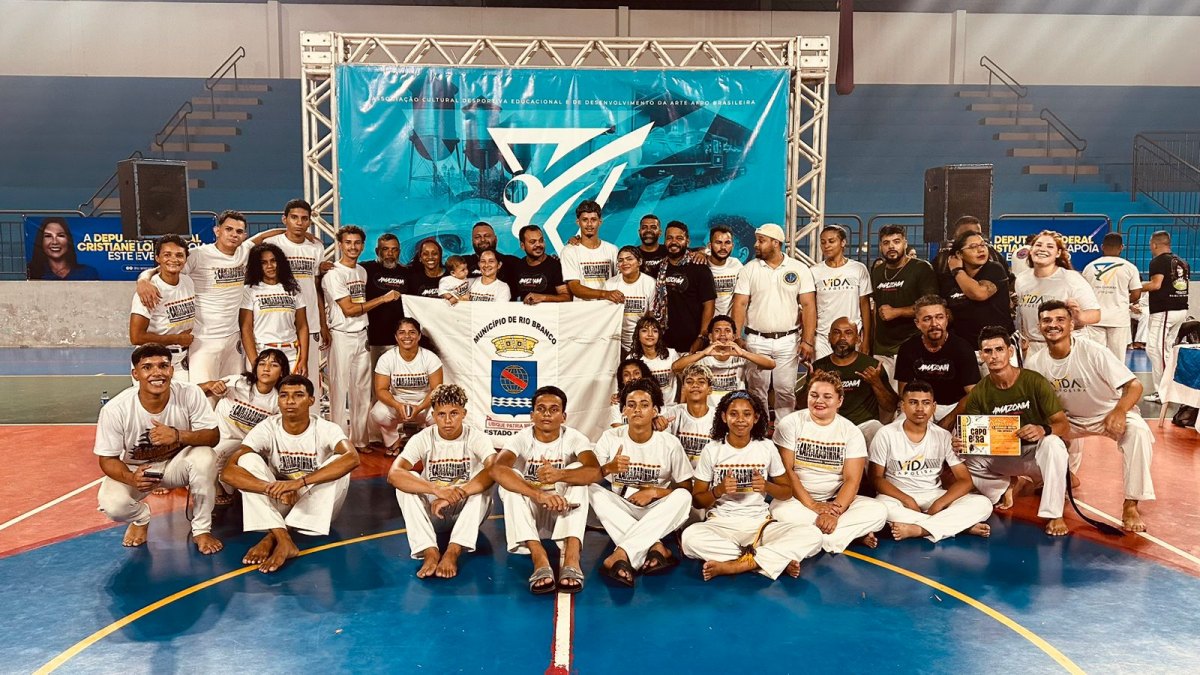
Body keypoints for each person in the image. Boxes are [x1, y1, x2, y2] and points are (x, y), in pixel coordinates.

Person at [1025, 300, 1154, 531]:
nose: (1053, 325)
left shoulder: (1094, 351)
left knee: (1138, 432)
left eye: (1060, 319)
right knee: (1048, 441)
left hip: (1107, 415)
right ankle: (1055, 508)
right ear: (1039, 326)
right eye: (1047, 320)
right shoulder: (1035, 363)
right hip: (1068, 421)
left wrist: (1120, 410)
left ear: (1071, 325)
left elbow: (1135, 386)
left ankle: (1131, 504)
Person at [221, 374, 360, 573]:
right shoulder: (268, 426)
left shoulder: (326, 428)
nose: (290, 401)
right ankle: (284, 539)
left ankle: (272, 536)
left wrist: (298, 483)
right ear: (278, 400)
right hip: (281, 498)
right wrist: (272, 488)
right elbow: (228, 472)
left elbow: (353, 458)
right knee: (246, 460)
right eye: (284, 395)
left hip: (317, 502)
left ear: (311, 400)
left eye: (298, 395)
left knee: (339, 461)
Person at [94, 344, 222, 554]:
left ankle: (201, 530)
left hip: (176, 465)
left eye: (163, 366)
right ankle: (141, 518)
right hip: (136, 469)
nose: (157, 373)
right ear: (135, 374)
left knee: (206, 457)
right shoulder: (115, 409)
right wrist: (131, 478)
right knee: (113, 505)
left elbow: (213, 437)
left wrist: (178, 435)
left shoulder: (190, 393)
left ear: (171, 370)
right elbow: (107, 459)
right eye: (147, 367)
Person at [681, 391, 822, 581]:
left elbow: (787, 492)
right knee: (690, 538)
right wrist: (718, 491)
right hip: (721, 523)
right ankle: (772, 559)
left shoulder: (766, 447)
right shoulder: (712, 449)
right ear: (723, 417)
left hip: (760, 524)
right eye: (733, 414)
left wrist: (767, 486)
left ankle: (737, 565)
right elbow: (698, 501)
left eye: (747, 414)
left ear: (755, 418)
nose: (740, 419)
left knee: (813, 535)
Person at [137, 210, 289, 384]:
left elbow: (262, 236)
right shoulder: (199, 255)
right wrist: (143, 280)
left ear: (244, 235)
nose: (234, 234)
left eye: (239, 231)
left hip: (233, 338)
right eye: (228, 229)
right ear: (217, 231)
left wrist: (303, 234)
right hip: (203, 339)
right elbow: (162, 269)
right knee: (204, 393)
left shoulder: (244, 251)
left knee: (232, 391)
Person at [957, 326, 1071, 536]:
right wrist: (963, 442)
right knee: (963, 457)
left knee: (1053, 443)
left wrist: (1042, 429)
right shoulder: (979, 393)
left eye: (999, 349)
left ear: (1010, 351)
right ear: (981, 356)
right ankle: (1004, 486)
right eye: (988, 351)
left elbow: (1063, 425)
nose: (994, 356)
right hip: (1005, 454)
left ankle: (1055, 514)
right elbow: (976, 438)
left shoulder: (1034, 381)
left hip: (1036, 455)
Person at [491, 386, 598, 594]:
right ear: (532, 415)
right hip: (532, 513)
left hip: (562, 512)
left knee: (579, 471)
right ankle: (539, 557)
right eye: (541, 409)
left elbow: (594, 471)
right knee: (510, 483)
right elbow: (497, 469)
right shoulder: (521, 438)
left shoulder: (575, 438)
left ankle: (572, 557)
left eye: (554, 409)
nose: (547, 414)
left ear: (564, 416)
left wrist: (560, 475)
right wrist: (538, 494)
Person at [590, 379, 694, 587]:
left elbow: (686, 488)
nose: (637, 409)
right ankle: (655, 546)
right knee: (590, 489)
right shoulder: (611, 437)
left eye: (644, 405)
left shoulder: (669, 443)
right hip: (622, 508)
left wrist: (654, 492)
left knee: (683, 497)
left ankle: (621, 553)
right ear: (624, 411)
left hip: (657, 510)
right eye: (631, 405)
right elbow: (589, 475)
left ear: (655, 411)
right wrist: (608, 468)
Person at [770, 371, 888, 552]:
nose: (819, 401)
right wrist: (813, 505)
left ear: (839, 401)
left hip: (835, 501)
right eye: (814, 395)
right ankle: (845, 536)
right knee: (780, 511)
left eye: (827, 397)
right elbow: (787, 471)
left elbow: (852, 480)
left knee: (878, 510)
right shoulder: (790, 423)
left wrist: (834, 513)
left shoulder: (850, 431)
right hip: (797, 500)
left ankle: (818, 537)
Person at [389, 384, 497, 579]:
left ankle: (453, 551)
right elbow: (394, 474)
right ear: (433, 415)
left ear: (464, 413)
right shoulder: (423, 438)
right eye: (441, 414)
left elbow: (495, 469)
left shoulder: (476, 437)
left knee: (485, 481)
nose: (448, 421)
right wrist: (436, 490)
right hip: (433, 511)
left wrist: (455, 495)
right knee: (405, 483)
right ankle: (429, 551)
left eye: (454, 413)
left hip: (465, 511)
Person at [869, 380, 993, 542]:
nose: (920, 408)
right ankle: (960, 527)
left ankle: (919, 529)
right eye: (913, 402)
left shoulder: (943, 435)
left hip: (933, 494)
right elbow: (876, 478)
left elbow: (965, 481)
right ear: (903, 406)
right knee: (880, 509)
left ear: (934, 407)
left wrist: (940, 503)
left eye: (926, 403)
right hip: (897, 497)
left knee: (983, 504)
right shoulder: (886, 434)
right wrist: (907, 500)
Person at [322, 226, 401, 452]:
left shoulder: (362, 272)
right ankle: (338, 443)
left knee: (362, 391)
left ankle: (359, 440)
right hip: (341, 334)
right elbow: (349, 309)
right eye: (348, 243)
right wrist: (383, 299)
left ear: (363, 246)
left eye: (357, 243)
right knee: (339, 391)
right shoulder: (333, 274)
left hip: (362, 334)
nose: (353, 247)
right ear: (340, 245)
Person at [730, 223, 817, 421]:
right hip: (755, 340)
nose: (756, 245)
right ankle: (758, 428)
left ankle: (783, 430)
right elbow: (740, 304)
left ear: (776, 243)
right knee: (756, 390)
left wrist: (808, 340)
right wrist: (736, 336)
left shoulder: (799, 268)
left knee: (785, 390)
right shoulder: (749, 269)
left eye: (761, 241)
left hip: (788, 340)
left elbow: (808, 306)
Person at [200, 348, 288, 505]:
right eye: (262, 364)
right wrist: (210, 386)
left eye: (274, 365)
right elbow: (195, 393)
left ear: (282, 372)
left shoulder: (278, 400)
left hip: (248, 446)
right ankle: (219, 492)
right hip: (219, 438)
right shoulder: (238, 382)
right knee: (207, 462)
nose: (266, 368)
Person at [263, 200, 330, 396]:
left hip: (310, 322)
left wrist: (323, 323)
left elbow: (317, 287)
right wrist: (279, 231)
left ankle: (311, 414)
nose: (299, 223)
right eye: (294, 218)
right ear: (284, 219)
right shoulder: (273, 244)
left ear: (309, 221)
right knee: (275, 381)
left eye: (304, 219)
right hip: (279, 324)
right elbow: (249, 244)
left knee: (308, 380)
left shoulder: (316, 247)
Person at [804, 318, 897, 448]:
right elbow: (801, 405)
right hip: (830, 425)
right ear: (829, 338)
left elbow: (891, 406)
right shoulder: (819, 367)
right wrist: (812, 384)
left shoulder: (871, 365)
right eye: (837, 332)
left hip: (864, 425)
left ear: (858, 339)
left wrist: (876, 382)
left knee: (878, 432)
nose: (842, 338)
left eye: (848, 333)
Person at [894, 296, 981, 428]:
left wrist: (949, 419)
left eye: (939, 317)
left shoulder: (962, 348)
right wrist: (922, 411)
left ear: (946, 319)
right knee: (896, 429)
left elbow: (973, 393)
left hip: (955, 407)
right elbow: (904, 393)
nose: (934, 324)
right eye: (927, 319)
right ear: (917, 323)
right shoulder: (907, 349)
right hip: (921, 405)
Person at [1013, 230, 1100, 356]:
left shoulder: (1071, 278)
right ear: (1031, 250)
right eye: (1038, 245)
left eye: (1050, 246)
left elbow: (1096, 315)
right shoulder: (1022, 279)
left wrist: (1079, 316)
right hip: (1033, 348)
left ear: (1058, 253)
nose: (1042, 249)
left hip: (1065, 346)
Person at [870, 225, 939, 380]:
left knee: (911, 392)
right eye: (886, 243)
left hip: (913, 345)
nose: (891, 246)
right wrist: (872, 342)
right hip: (883, 348)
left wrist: (897, 312)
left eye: (896, 241)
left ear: (905, 243)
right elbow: (876, 309)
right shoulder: (878, 272)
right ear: (881, 246)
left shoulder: (921, 268)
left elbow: (931, 307)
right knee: (884, 393)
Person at [370, 318, 444, 456]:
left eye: (412, 332)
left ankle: (428, 444)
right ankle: (394, 442)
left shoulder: (430, 358)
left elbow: (437, 390)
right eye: (402, 332)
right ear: (396, 337)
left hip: (423, 403)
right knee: (378, 413)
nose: (407, 336)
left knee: (440, 413)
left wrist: (419, 407)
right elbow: (380, 390)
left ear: (419, 336)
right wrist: (398, 405)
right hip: (398, 403)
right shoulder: (387, 358)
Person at [129, 235, 196, 379]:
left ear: (185, 259)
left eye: (179, 255)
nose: (173, 259)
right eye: (167, 255)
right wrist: (176, 339)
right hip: (153, 359)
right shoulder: (149, 290)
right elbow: (136, 337)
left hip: (183, 358)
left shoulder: (188, 281)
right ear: (157, 258)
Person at [239, 242, 309, 375]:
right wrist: (255, 362)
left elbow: (302, 326)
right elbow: (246, 328)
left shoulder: (293, 289)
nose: (270, 266)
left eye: (273, 261)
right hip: (262, 353)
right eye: (264, 263)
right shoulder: (249, 291)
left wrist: (304, 359)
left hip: (291, 354)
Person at [672, 315, 775, 403]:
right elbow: (675, 367)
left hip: (734, 410)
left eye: (727, 330)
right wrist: (703, 353)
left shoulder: (741, 357)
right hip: (708, 412)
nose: (722, 334)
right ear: (710, 336)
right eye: (717, 331)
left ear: (733, 337)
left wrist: (743, 353)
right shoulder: (701, 357)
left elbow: (771, 364)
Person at [651, 221, 717, 354]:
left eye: (679, 238)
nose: (673, 242)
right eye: (669, 238)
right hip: (664, 342)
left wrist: (702, 337)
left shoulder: (700, 268)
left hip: (692, 342)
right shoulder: (657, 269)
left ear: (687, 241)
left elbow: (709, 305)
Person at [1141, 231, 1191, 403]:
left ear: (1155, 244)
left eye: (1150, 244)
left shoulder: (1158, 261)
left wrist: (1136, 288)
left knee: (1156, 351)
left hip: (1165, 311)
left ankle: (1164, 392)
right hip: (1180, 309)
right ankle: (1173, 387)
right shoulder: (1181, 262)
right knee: (1165, 350)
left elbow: (1156, 285)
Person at [940, 229, 1013, 346]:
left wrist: (957, 270)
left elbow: (979, 293)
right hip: (965, 345)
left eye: (983, 245)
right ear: (959, 254)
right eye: (973, 247)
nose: (981, 249)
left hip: (998, 344)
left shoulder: (994, 269)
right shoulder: (948, 279)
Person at [811, 225, 873, 360]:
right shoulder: (814, 271)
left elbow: (864, 305)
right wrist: (809, 340)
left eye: (831, 241)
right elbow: (811, 307)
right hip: (823, 337)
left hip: (852, 336)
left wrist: (866, 339)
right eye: (823, 242)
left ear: (843, 242)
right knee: (823, 373)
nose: (826, 246)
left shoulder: (858, 269)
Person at [1080, 233, 1142, 362]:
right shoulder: (1130, 267)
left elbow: (1083, 294)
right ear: (1121, 247)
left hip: (1095, 318)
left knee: (1095, 358)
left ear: (1102, 247)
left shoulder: (1089, 267)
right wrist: (1122, 300)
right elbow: (1136, 294)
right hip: (1118, 318)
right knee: (1117, 360)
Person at [362, 233, 409, 366]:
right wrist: (325, 266)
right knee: (374, 377)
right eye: (385, 249)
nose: (390, 253)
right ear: (377, 251)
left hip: (400, 339)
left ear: (399, 252)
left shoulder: (408, 272)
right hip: (373, 338)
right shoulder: (365, 269)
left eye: (394, 249)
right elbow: (344, 269)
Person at [561, 200, 618, 300]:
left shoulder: (612, 250)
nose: (589, 224)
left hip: (608, 307)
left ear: (600, 222)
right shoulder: (569, 251)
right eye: (585, 220)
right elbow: (575, 288)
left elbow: (619, 281)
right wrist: (605, 294)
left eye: (593, 219)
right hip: (582, 308)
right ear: (578, 222)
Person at [605, 246, 656, 353]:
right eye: (620, 260)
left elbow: (652, 317)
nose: (625, 263)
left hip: (642, 343)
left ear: (639, 262)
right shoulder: (610, 284)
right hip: (615, 342)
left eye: (629, 259)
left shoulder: (650, 283)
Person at [664, 364, 717, 467]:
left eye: (701, 382)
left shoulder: (717, 417)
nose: (695, 385)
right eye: (689, 382)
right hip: (679, 475)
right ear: (683, 389)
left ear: (709, 390)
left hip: (707, 475)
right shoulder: (674, 413)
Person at [509, 225, 571, 304]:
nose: (538, 245)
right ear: (522, 246)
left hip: (549, 311)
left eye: (541, 241)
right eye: (532, 242)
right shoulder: (518, 266)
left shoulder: (555, 265)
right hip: (525, 312)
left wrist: (543, 297)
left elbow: (567, 297)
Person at [27, 217, 99, 280]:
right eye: (48, 236)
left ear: (68, 240)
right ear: (41, 241)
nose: (55, 242)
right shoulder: (32, 272)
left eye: (60, 235)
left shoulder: (88, 273)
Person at [629, 316, 679, 403]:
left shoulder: (671, 354)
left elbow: (684, 381)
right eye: (644, 330)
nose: (650, 334)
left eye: (655, 331)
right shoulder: (632, 358)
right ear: (638, 335)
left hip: (670, 407)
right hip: (645, 408)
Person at [707, 225, 744, 318]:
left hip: (729, 323)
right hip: (707, 322)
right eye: (718, 242)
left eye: (727, 243)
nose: (723, 247)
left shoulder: (736, 264)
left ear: (732, 246)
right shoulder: (701, 265)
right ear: (709, 245)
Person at [609, 358, 655, 427]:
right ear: (622, 380)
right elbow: (617, 428)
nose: (632, 377)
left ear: (643, 376)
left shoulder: (654, 398)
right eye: (626, 375)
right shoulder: (616, 401)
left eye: (636, 373)